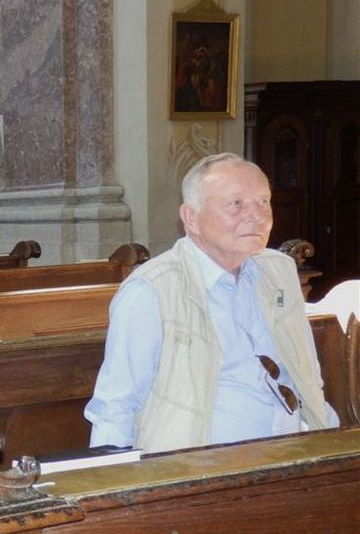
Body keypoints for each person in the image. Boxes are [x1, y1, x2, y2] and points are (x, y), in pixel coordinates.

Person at [84, 153, 338, 454]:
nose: (257, 216)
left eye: (263, 201)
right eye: (236, 203)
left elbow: (307, 375)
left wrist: (328, 446)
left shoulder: (279, 270)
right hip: (199, 467)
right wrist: (117, 476)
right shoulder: (151, 289)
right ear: (191, 218)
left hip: (294, 453)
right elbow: (116, 406)